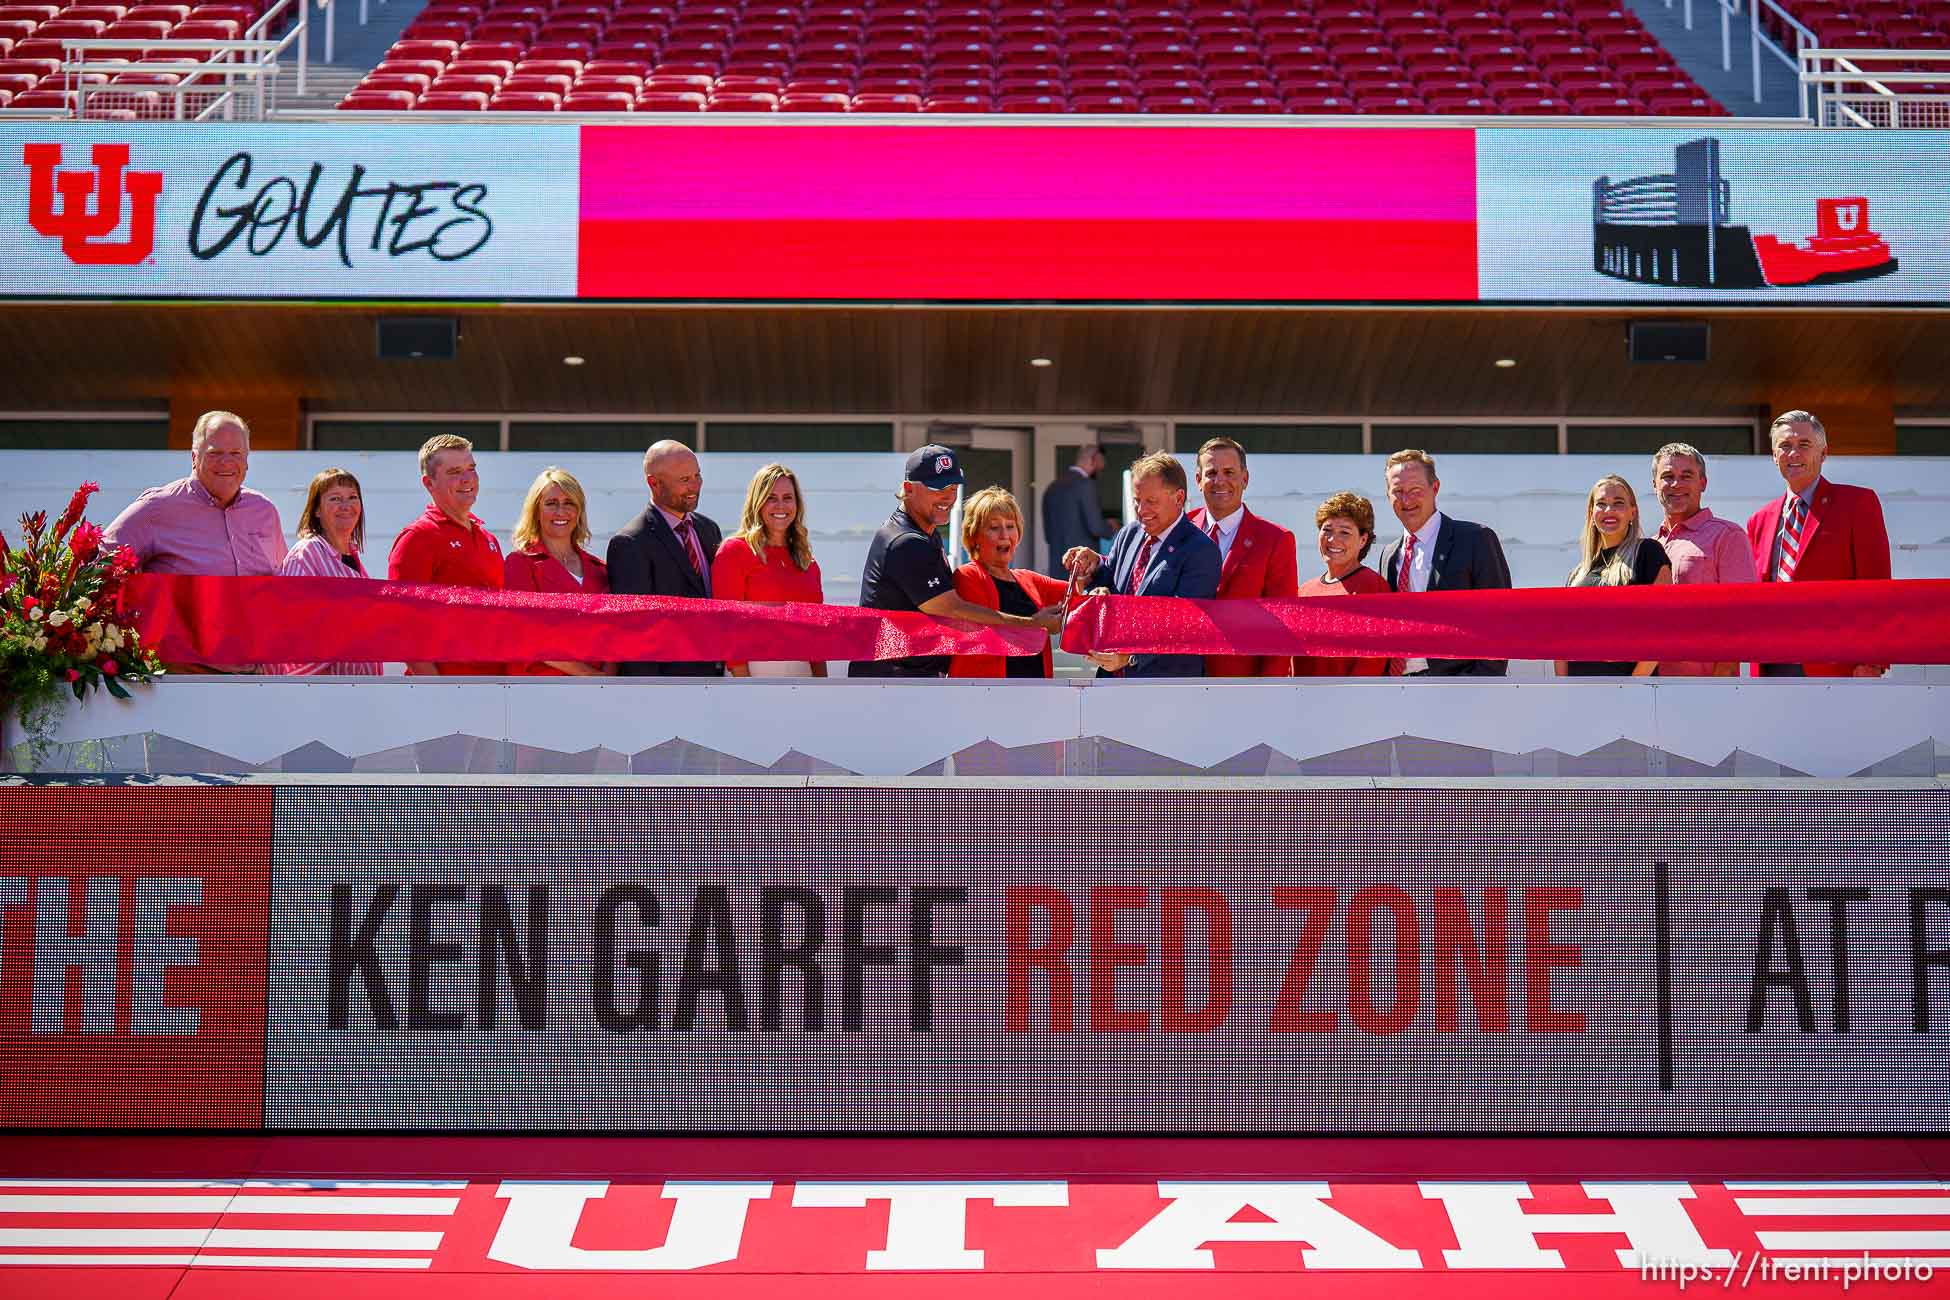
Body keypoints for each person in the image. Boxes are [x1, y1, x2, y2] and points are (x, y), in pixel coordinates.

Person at [848, 444, 1064, 679]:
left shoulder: (923, 533)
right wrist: (1032, 624)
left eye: (952, 486)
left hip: (904, 676)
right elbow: (953, 608)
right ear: (909, 489)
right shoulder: (906, 541)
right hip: (891, 678)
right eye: (937, 487)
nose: (948, 496)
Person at [102, 410, 285, 673]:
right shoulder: (157, 508)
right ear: (193, 457)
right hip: (185, 673)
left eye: (235, 454)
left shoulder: (264, 512)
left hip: (255, 673)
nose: (226, 462)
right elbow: (99, 562)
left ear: (247, 461)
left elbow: (279, 585)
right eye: (214, 453)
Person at [1745, 409, 1892, 678]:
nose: (1794, 453)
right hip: (1773, 662)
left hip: (1836, 662)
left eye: (1804, 445)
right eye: (1785, 446)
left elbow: (1876, 584)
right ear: (1774, 456)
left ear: (1823, 454)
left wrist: (1872, 659)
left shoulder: (1857, 504)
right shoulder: (1759, 520)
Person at [1064, 449, 1221, 678]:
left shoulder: (1201, 551)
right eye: (1137, 501)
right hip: (1111, 680)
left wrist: (1130, 656)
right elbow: (1109, 578)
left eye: (1151, 501)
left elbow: (1183, 623)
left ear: (1178, 498)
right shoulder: (1130, 533)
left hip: (1164, 687)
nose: (1141, 511)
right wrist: (1090, 570)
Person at [1375, 448, 1513, 676]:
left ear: (1435, 488)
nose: (1406, 499)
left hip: (1458, 686)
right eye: (1398, 491)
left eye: (1416, 490)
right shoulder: (1388, 555)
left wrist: (1480, 682)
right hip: (1398, 686)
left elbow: (1500, 618)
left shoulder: (1475, 539)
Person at [387, 433, 504, 676]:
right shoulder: (417, 538)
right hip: (445, 692)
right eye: (454, 472)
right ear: (429, 483)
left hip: (495, 688)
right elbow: (403, 626)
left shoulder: (488, 540)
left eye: (471, 469)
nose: (467, 479)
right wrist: (438, 690)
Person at [608, 439, 723, 677]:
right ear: (654, 483)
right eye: (684, 480)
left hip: (714, 677)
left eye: (697, 476)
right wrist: (650, 695)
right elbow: (635, 633)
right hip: (666, 685)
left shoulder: (709, 529)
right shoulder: (630, 542)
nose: (695, 486)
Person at [1184, 436, 1299, 677]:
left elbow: (1282, 624)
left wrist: (1268, 689)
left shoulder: (1275, 539)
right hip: (1180, 677)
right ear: (1198, 480)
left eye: (1229, 472)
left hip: (1242, 684)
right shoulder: (1180, 529)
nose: (1220, 481)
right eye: (1211, 473)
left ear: (1244, 479)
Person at [1649, 442, 1757, 677]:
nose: (1676, 484)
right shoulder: (1648, 546)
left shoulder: (1727, 536)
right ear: (1654, 484)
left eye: (1686, 476)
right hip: (1651, 687)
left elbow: (1742, 615)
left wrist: (1722, 681)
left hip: (1706, 685)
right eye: (1667, 476)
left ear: (1703, 483)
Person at [711, 462, 826, 679]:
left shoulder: (806, 560)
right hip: (752, 676)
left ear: (797, 504)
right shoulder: (734, 551)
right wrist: (745, 686)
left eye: (787, 498)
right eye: (771, 498)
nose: (780, 506)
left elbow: (816, 634)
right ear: (757, 502)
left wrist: (822, 683)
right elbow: (728, 627)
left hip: (803, 676)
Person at [1554, 474, 1672, 678]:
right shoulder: (1577, 573)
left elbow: (1661, 627)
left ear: (1632, 513)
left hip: (1632, 692)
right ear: (1592, 513)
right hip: (1580, 692)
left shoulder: (1648, 552)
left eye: (1618, 503)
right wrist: (1565, 688)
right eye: (1601, 504)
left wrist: (1634, 684)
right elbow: (1561, 641)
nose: (1609, 510)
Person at [503, 466, 613, 678]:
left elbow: (613, 634)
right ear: (535, 511)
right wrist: (589, 675)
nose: (561, 512)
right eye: (551, 504)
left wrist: (607, 680)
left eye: (569, 503)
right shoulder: (520, 564)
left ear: (579, 510)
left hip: (598, 692)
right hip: (540, 688)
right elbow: (525, 634)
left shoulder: (600, 569)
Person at [949, 487, 1068, 679]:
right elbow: (989, 633)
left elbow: (1076, 595)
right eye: (994, 528)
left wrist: (1090, 577)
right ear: (974, 536)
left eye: (1010, 526)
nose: (1005, 535)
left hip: (1036, 696)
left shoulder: (1028, 579)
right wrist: (1039, 625)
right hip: (984, 698)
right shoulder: (967, 576)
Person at [273, 468, 381, 677]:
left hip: (358, 690)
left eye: (352, 497)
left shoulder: (353, 557)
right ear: (316, 510)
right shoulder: (307, 553)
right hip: (322, 693)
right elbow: (294, 627)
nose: (345, 506)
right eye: (335, 498)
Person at [1294, 491, 1393, 678]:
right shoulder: (1304, 590)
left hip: (1349, 702)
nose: (1333, 539)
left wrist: (1349, 701)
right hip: (1302, 700)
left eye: (1345, 532)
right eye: (1327, 529)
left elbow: (1372, 661)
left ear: (1363, 540)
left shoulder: (1372, 587)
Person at [1041, 443, 1116, 577]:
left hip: (1057, 567)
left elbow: (1048, 534)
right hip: (1082, 566)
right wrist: (1111, 527)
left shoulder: (1052, 487)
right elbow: (1096, 527)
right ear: (1094, 460)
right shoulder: (1086, 485)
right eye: (1101, 465)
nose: (1101, 471)